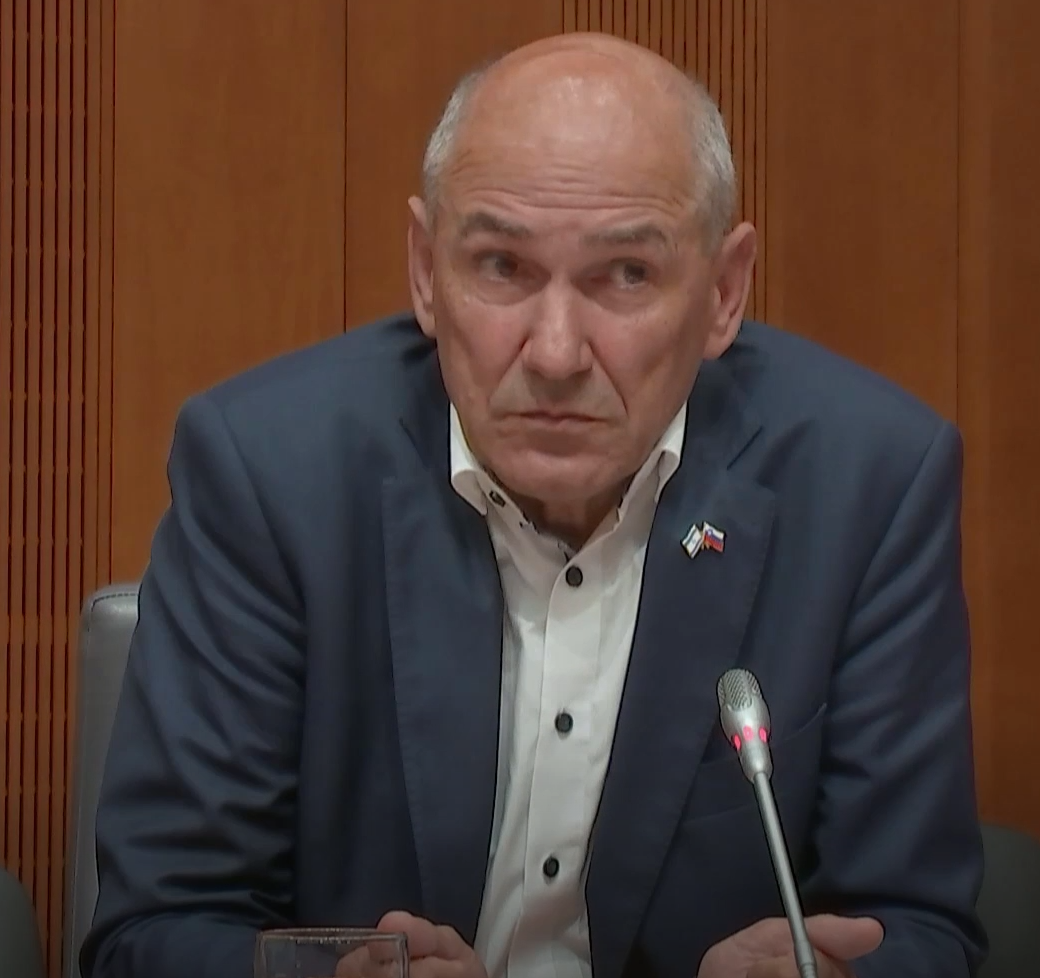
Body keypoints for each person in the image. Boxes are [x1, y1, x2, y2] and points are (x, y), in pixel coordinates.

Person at [82, 31, 986, 978]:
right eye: (502, 267)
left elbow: (920, 929)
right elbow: (158, 930)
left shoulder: (868, 486)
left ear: (724, 292)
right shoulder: (271, 476)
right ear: (427, 271)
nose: (555, 353)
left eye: (626, 274)